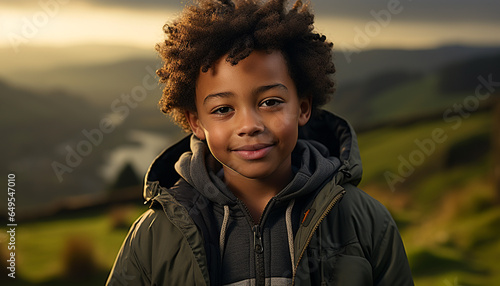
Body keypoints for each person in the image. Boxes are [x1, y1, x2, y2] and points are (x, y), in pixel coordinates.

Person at [106, 0, 414, 285]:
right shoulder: (152, 238)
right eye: (223, 109)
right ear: (196, 122)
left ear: (303, 108)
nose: (249, 125)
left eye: (270, 102)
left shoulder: (365, 221)